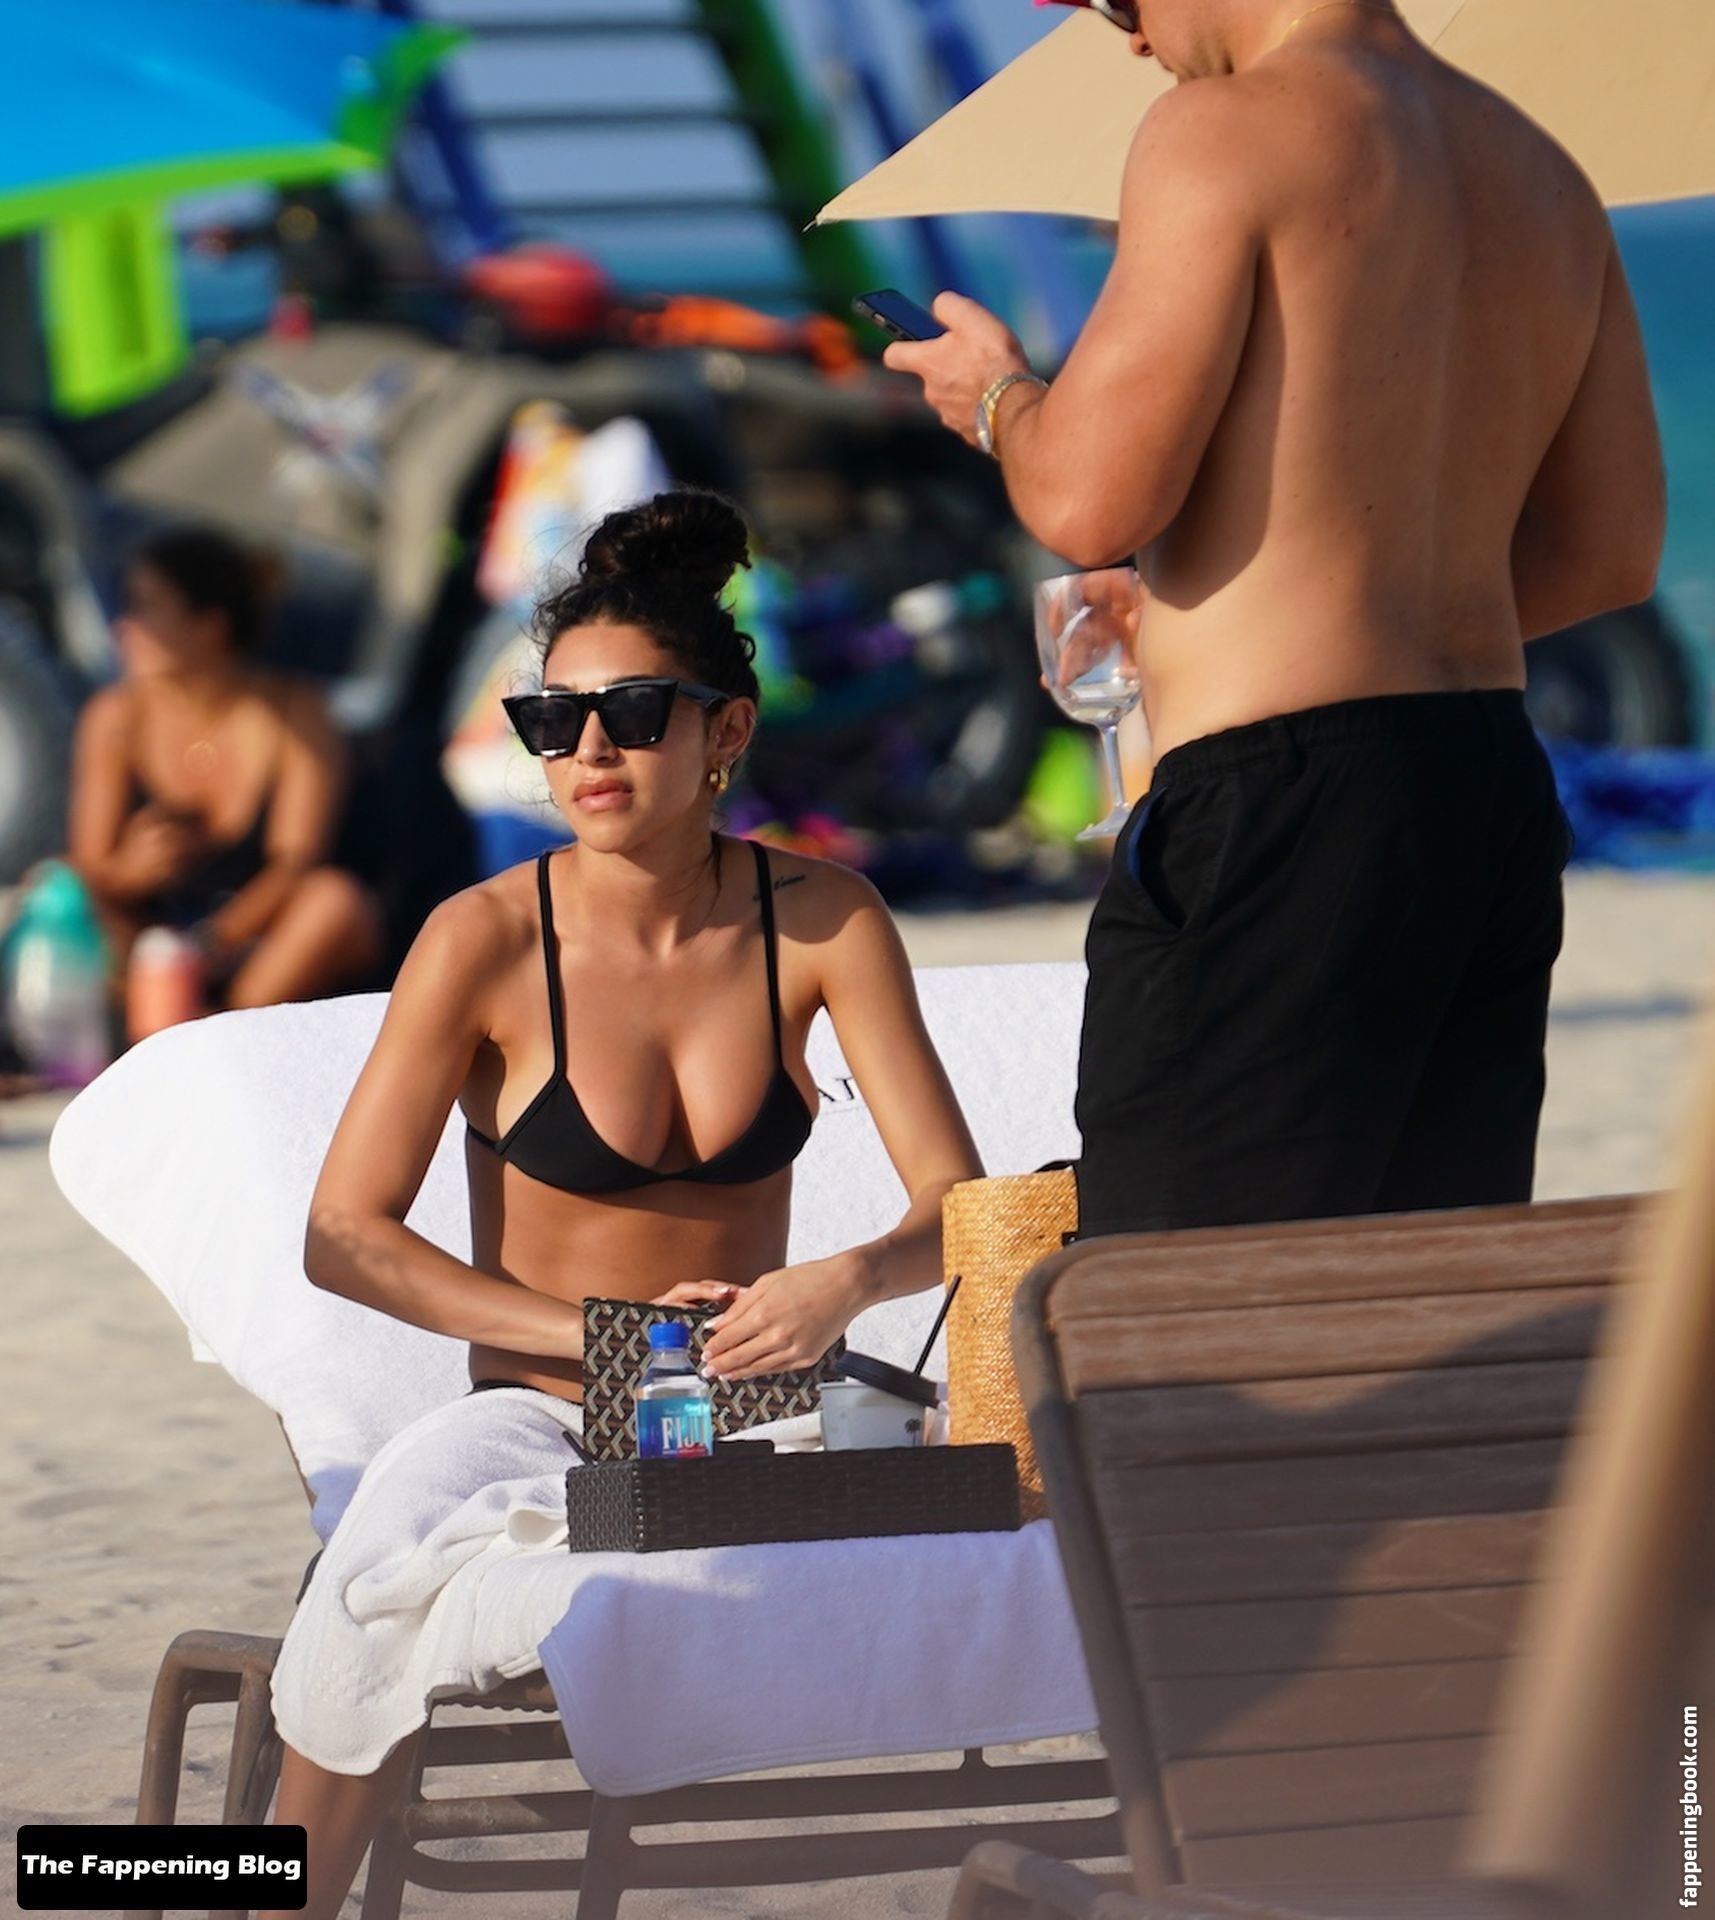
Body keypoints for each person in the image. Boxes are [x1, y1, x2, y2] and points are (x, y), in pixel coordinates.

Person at [260, 490, 982, 1920]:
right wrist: (598, 1332)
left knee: (1036, 1496)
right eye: (553, 720)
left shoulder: (822, 920)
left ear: (726, 731)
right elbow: (343, 1237)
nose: (587, 751)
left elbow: (958, 1203)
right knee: (372, 1589)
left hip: (750, 1410)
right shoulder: (481, 938)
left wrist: (838, 1283)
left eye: (633, 714)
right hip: (538, 1408)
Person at [885, 0, 1666, 1235]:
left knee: (1184, 1295)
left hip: (1278, 808)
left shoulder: (1218, 130)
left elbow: (1086, 500)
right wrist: (1270, 608)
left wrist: (997, 401)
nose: (1126, 40)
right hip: (1480, 789)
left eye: (1113, 1)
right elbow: (1608, 550)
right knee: (1407, 1297)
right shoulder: (1539, 167)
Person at [67, 526, 383, 1012]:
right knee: (62, 890)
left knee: (336, 902)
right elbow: (90, 865)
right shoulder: (115, 717)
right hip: (149, 934)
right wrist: (131, 872)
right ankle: (165, 1023)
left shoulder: (297, 712)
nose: (125, 626)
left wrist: (213, 941)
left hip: (260, 937)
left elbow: (297, 861)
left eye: (147, 606)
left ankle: (229, 1023)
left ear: (210, 626)